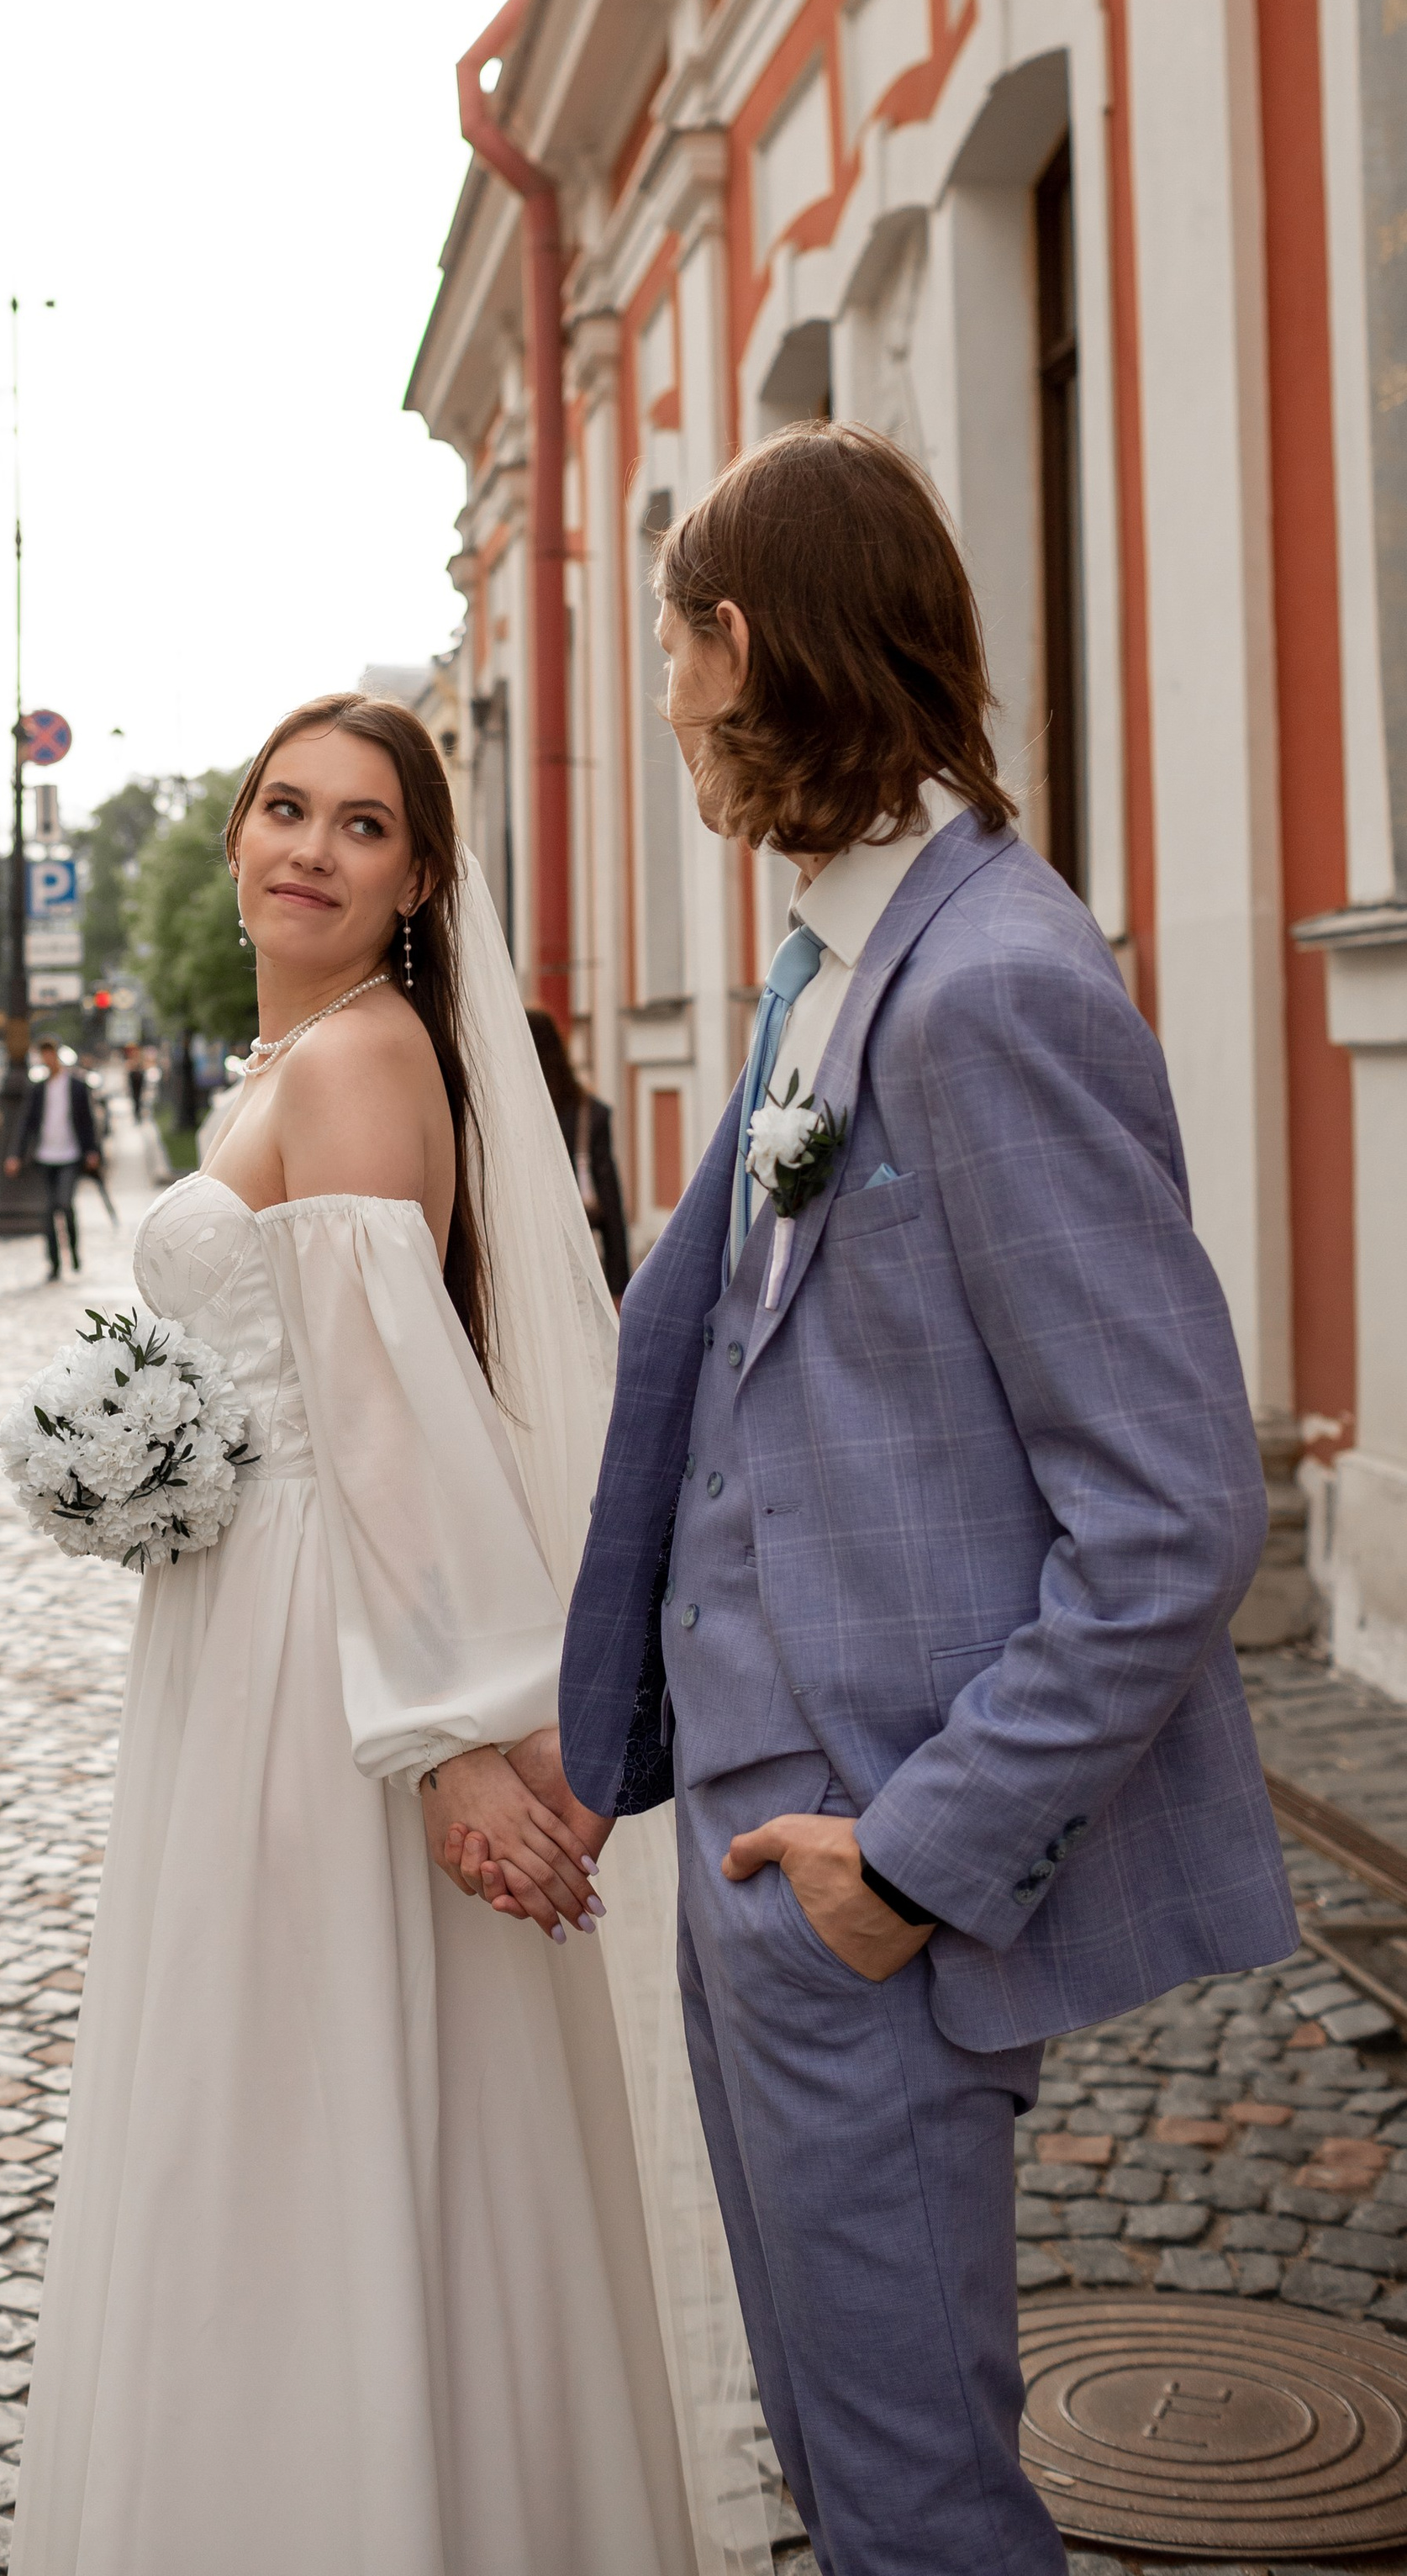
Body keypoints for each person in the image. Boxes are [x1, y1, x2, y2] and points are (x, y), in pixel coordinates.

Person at [534, 424, 1294, 2576]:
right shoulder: (833, 958)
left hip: (865, 1862)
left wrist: (916, 1861)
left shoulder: (991, 985)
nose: (667, 709)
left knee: (917, 2501)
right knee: (829, 2451)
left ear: (740, 642)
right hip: (755, 1834)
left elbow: (1165, 1514)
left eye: (673, 644)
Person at [11, 694, 768, 2576]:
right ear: (233, 838)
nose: (308, 850)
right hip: (248, 1629)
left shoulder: (356, 1063)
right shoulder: (293, 1054)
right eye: (282, 809)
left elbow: (386, 1427)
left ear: (421, 877)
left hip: (322, 1667)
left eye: (361, 827)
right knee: (265, 2112)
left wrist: (443, 1742)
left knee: (298, 2118)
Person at [528, 1005, 631, 1300]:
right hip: (578, 1269)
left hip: (524, 1263)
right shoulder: (590, 1112)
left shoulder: (503, 1114)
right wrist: (618, 1288)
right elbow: (611, 1207)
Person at [4, 1042, 103, 1281]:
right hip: (46, 1157)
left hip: (70, 1155)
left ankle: (74, 1253)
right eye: (43, 1055)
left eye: (50, 1054)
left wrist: (92, 1151)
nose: (47, 1059)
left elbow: (87, 1121)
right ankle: (55, 1264)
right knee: (48, 1211)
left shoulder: (77, 1086)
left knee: (65, 1204)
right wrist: (15, 1154)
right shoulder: (38, 1089)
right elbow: (26, 1124)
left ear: (57, 1056)